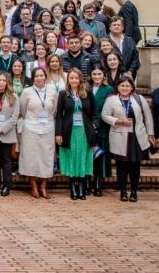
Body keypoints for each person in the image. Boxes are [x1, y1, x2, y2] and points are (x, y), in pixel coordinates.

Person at [101, 75, 155, 202]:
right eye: (122, 85)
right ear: (118, 87)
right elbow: (104, 115)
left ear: (132, 88)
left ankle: (134, 192)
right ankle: (123, 191)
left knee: (135, 166)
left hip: (136, 137)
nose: (125, 88)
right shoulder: (111, 100)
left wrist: (150, 134)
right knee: (122, 166)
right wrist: (118, 121)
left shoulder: (139, 99)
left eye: (127, 86)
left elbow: (148, 117)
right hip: (120, 136)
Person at [18, 67, 58, 199]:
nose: (39, 78)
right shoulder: (27, 91)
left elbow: (55, 110)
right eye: (37, 76)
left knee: (46, 157)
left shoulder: (52, 91)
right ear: (33, 78)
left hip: (48, 127)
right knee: (32, 157)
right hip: (31, 127)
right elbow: (22, 110)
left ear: (45, 77)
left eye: (42, 75)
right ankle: (34, 186)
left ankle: (43, 187)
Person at [54, 68, 94, 200]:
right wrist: (58, 133)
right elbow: (59, 115)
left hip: (84, 131)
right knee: (71, 157)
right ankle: (73, 188)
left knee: (82, 157)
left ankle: (81, 187)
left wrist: (94, 126)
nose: (74, 80)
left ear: (80, 79)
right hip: (68, 131)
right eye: (71, 78)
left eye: (76, 78)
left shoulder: (87, 93)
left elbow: (94, 113)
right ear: (68, 80)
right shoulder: (63, 94)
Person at [89, 66, 113, 197]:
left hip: (102, 126)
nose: (97, 76)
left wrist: (97, 122)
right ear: (91, 75)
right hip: (87, 125)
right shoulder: (86, 88)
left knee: (99, 155)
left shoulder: (108, 89)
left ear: (103, 75)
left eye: (99, 74)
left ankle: (98, 182)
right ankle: (87, 180)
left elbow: (110, 108)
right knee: (88, 155)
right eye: (94, 74)